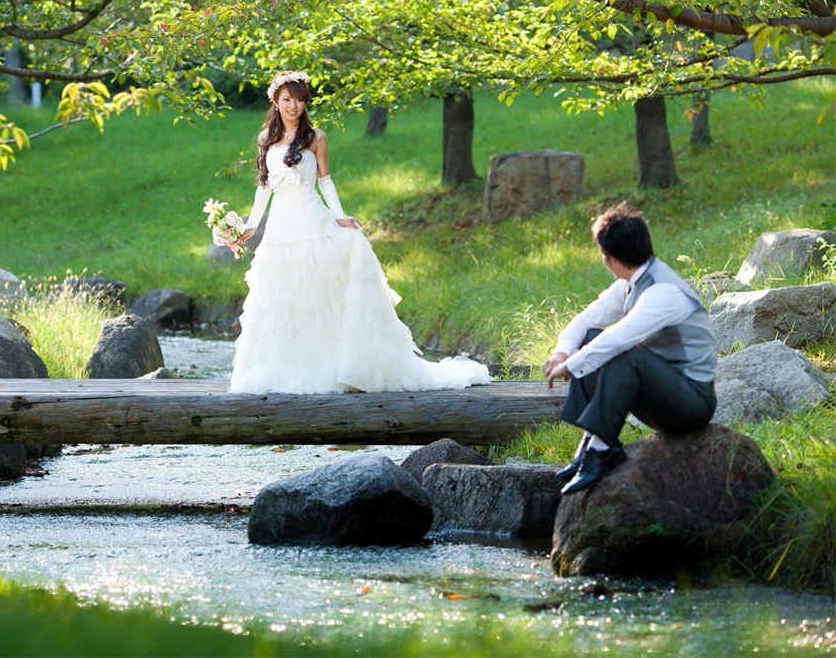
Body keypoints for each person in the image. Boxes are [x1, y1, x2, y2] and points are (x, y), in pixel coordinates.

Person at [226, 71, 492, 394]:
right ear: (275, 101)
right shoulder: (265, 137)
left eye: (298, 100)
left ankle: (335, 367)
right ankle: (288, 371)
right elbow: (263, 186)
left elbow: (325, 182)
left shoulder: (315, 137)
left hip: (312, 220)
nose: (293, 106)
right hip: (281, 227)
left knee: (320, 293)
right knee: (283, 299)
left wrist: (340, 217)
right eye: (286, 99)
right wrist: (250, 226)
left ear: (305, 102)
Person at [543, 203, 717, 494]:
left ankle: (602, 450)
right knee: (593, 335)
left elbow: (619, 338)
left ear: (610, 258)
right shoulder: (631, 281)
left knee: (625, 351)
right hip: (662, 393)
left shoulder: (664, 291)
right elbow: (586, 320)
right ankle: (592, 441)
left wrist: (569, 366)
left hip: (692, 403)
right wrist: (562, 352)